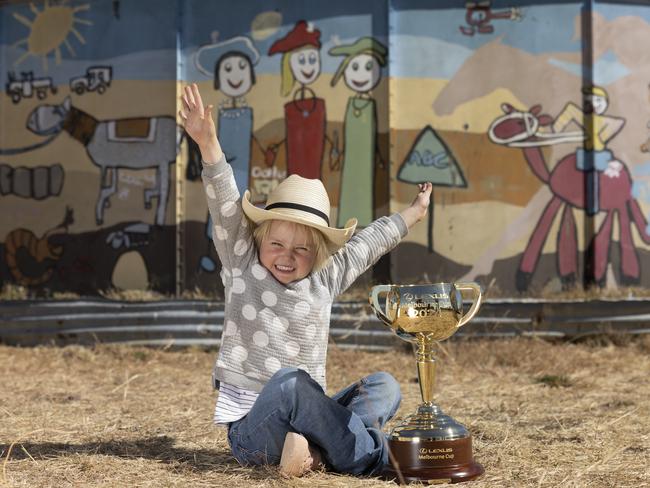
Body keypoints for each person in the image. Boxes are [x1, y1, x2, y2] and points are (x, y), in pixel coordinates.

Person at [179, 83, 433, 477]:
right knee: (290, 384)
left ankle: (313, 454)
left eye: (301, 250)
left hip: (307, 415)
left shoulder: (325, 277)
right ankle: (378, 458)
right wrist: (208, 143)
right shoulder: (242, 262)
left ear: (318, 254)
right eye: (277, 244)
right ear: (259, 238)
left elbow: (369, 243)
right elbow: (225, 203)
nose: (287, 256)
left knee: (384, 385)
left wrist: (413, 213)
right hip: (255, 432)